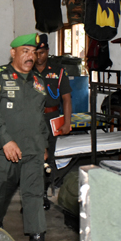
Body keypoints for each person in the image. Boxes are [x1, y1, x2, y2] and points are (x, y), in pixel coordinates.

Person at [0, 33, 60, 241]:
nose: (30, 56)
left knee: (34, 195)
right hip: (4, 149)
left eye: (33, 52)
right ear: (13, 53)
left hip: (33, 148)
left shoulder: (39, 81)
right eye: (25, 51)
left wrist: (44, 144)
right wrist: (5, 140)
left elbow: (39, 116)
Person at [35, 34, 72, 209]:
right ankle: (30, 196)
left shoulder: (58, 71)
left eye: (41, 53)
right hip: (32, 118)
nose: (38, 56)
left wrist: (67, 122)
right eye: (35, 53)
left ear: (47, 51)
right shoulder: (26, 70)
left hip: (51, 119)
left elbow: (66, 99)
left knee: (48, 157)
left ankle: (43, 193)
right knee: (31, 157)